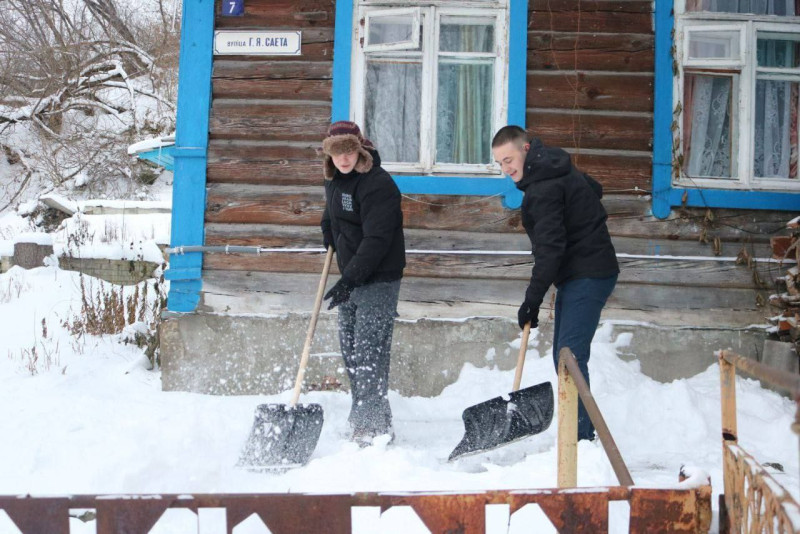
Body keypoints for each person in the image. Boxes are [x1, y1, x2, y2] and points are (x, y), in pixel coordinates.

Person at [491, 125, 619, 442]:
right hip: (580, 272)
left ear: (526, 149)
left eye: (509, 159)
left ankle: (580, 441)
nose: (506, 169)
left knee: (570, 359)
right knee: (564, 357)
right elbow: (594, 188)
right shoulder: (554, 169)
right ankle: (578, 434)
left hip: (588, 274)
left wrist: (531, 301)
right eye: (500, 164)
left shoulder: (544, 188)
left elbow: (549, 251)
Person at [319, 120, 406, 446]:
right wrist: (327, 230)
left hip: (379, 279)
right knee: (352, 353)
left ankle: (373, 429)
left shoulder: (377, 184)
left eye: (349, 151)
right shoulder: (333, 179)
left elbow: (378, 239)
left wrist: (348, 280)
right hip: (351, 277)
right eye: (337, 152)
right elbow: (332, 214)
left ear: (360, 149)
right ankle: (368, 420)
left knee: (370, 354)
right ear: (329, 154)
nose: (344, 159)